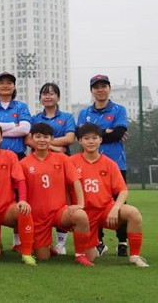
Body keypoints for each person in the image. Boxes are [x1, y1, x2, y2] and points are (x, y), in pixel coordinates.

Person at [70, 123, 148, 267]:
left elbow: (123, 190)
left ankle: (135, 256)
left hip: (106, 210)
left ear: (101, 140)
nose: (91, 141)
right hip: (85, 215)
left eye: (95, 138)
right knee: (90, 257)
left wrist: (115, 208)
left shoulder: (110, 164)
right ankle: (95, 245)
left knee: (133, 213)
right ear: (80, 141)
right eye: (86, 138)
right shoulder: (71, 162)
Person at [21, 123, 93, 265]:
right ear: (31, 139)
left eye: (46, 137)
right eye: (38, 136)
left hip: (60, 211)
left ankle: (80, 255)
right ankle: (46, 246)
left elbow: (76, 181)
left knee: (80, 215)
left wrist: (80, 204)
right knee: (43, 257)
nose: (42, 140)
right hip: (38, 216)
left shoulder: (62, 158)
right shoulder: (24, 163)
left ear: (51, 139)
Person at [77, 74, 130, 257]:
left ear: (109, 88)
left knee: (120, 205)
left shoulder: (119, 109)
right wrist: (106, 130)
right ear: (91, 90)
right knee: (92, 203)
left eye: (104, 86)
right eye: (96, 87)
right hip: (90, 165)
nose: (100, 90)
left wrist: (97, 132)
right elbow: (80, 134)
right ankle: (98, 242)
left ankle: (122, 241)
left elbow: (118, 134)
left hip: (115, 164)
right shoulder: (84, 113)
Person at [0, 122, 36, 266]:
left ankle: (26, 253)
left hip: (6, 209)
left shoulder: (10, 156)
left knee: (23, 210)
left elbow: (20, 179)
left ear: (1, 138)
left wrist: (22, 200)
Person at [27, 82, 76, 255]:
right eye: (44, 94)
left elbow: (70, 138)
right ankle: (38, 240)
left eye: (52, 93)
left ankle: (61, 242)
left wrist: (46, 144)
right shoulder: (35, 118)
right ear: (40, 98)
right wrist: (53, 146)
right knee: (40, 201)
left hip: (60, 164)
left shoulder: (67, 117)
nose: (48, 96)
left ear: (58, 97)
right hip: (38, 164)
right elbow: (29, 139)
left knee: (63, 200)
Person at [0, 72, 31, 159]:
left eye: (9, 83)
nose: (5, 86)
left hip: (18, 156)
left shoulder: (21, 106)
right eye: (1, 83)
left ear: (14, 86)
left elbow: (25, 129)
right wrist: (13, 125)